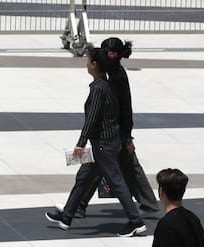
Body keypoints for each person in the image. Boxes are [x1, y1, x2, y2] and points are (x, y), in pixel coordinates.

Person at [46, 46, 146, 238]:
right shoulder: (105, 85)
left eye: (88, 60)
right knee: (84, 178)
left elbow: (91, 119)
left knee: (116, 182)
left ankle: (136, 221)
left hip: (103, 145)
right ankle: (67, 217)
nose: (86, 64)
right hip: (108, 142)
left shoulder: (99, 90)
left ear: (94, 65)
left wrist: (80, 143)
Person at [66, 38, 159, 219]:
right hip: (109, 135)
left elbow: (125, 108)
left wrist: (127, 136)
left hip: (113, 135)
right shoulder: (107, 74)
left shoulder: (116, 77)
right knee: (93, 169)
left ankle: (141, 210)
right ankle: (77, 206)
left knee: (122, 168)